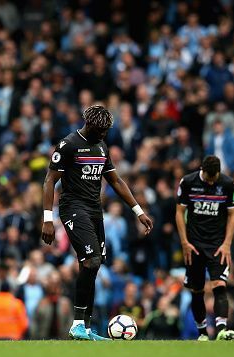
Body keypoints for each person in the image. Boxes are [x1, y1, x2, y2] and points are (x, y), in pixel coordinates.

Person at [42, 104, 153, 340]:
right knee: (91, 261)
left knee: (92, 265)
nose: (104, 134)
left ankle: (85, 328)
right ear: (90, 124)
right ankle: (78, 325)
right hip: (73, 209)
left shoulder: (101, 147)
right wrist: (47, 218)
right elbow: (50, 181)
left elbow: (116, 180)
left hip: (94, 211)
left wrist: (138, 211)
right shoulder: (69, 144)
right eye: (101, 130)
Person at [175, 155, 234, 341]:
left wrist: (227, 244)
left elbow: (233, 215)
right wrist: (184, 242)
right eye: (209, 177)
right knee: (197, 289)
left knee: (219, 284)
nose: (212, 181)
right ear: (202, 170)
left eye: (215, 177)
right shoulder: (187, 182)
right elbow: (179, 212)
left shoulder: (227, 184)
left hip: (217, 245)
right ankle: (202, 332)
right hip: (193, 244)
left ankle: (221, 330)